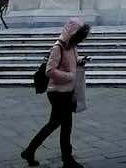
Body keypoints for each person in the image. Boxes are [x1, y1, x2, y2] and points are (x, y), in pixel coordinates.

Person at [22, 18, 91, 167]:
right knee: (64, 126)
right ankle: (67, 159)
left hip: (66, 92)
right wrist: (69, 76)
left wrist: (80, 61)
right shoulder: (58, 47)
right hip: (58, 93)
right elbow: (50, 70)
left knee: (56, 124)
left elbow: (70, 61)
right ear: (71, 33)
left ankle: (30, 151)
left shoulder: (71, 46)